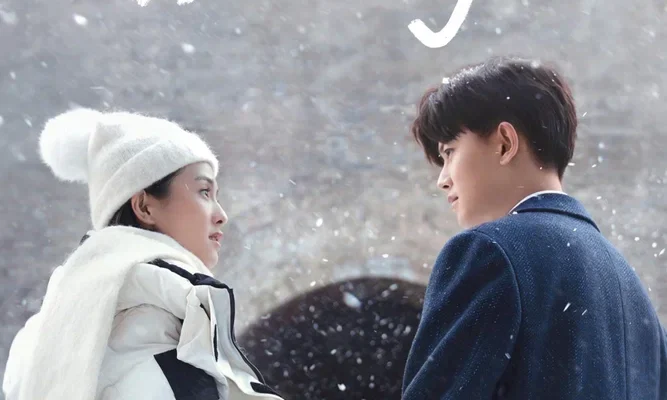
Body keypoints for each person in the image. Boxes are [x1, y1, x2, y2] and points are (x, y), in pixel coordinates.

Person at [402, 56, 667, 399]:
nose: (443, 179)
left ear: (505, 143)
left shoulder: (491, 253)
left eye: (450, 152)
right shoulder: (629, 286)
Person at [3, 108, 284, 400]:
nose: (222, 215)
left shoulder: (50, 341)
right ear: (145, 207)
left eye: (215, 196)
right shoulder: (156, 344)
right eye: (204, 191)